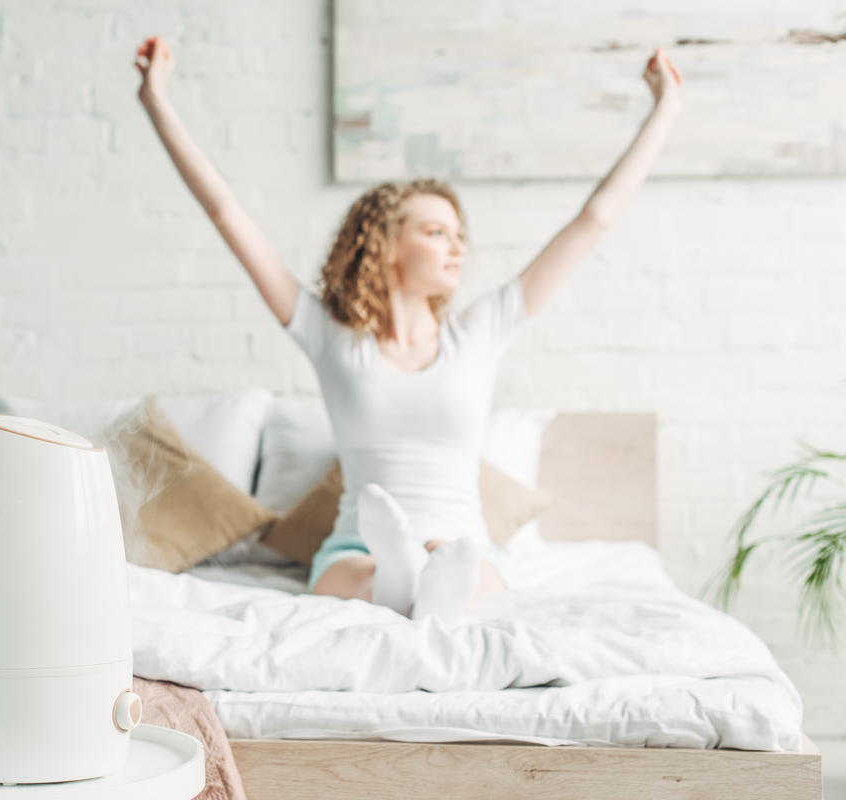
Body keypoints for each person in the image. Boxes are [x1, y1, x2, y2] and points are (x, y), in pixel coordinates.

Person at [135, 36, 683, 625]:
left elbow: (592, 220)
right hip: (355, 549)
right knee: (360, 577)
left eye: (459, 235)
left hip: (467, 544)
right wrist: (156, 99)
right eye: (436, 232)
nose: (457, 246)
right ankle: (401, 580)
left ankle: (419, 580)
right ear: (387, 244)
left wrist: (665, 110)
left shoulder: (480, 331)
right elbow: (225, 211)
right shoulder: (331, 337)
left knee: (460, 568)